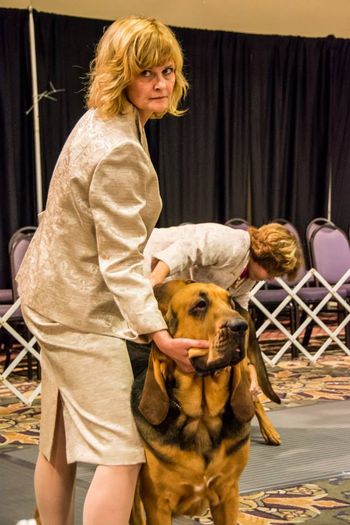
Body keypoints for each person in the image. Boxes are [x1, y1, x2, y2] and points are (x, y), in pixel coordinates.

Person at [16, 16, 208, 525]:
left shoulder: (102, 121)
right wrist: (159, 334)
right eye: (147, 72)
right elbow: (120, 263)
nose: (162, 82)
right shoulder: (118, 146)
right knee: (124, 453)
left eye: (169, 70)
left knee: (57, 439)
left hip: (51, 293)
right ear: (120, 74)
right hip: (77, 310)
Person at [143, 221, 303, 396]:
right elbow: (186, 249)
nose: (272, 279)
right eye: (275, 272)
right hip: (142, 261)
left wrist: (248, 364)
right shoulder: (232, 242)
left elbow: (241, 314)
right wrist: (153, 281)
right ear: (269, 259)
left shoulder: (247, 277)